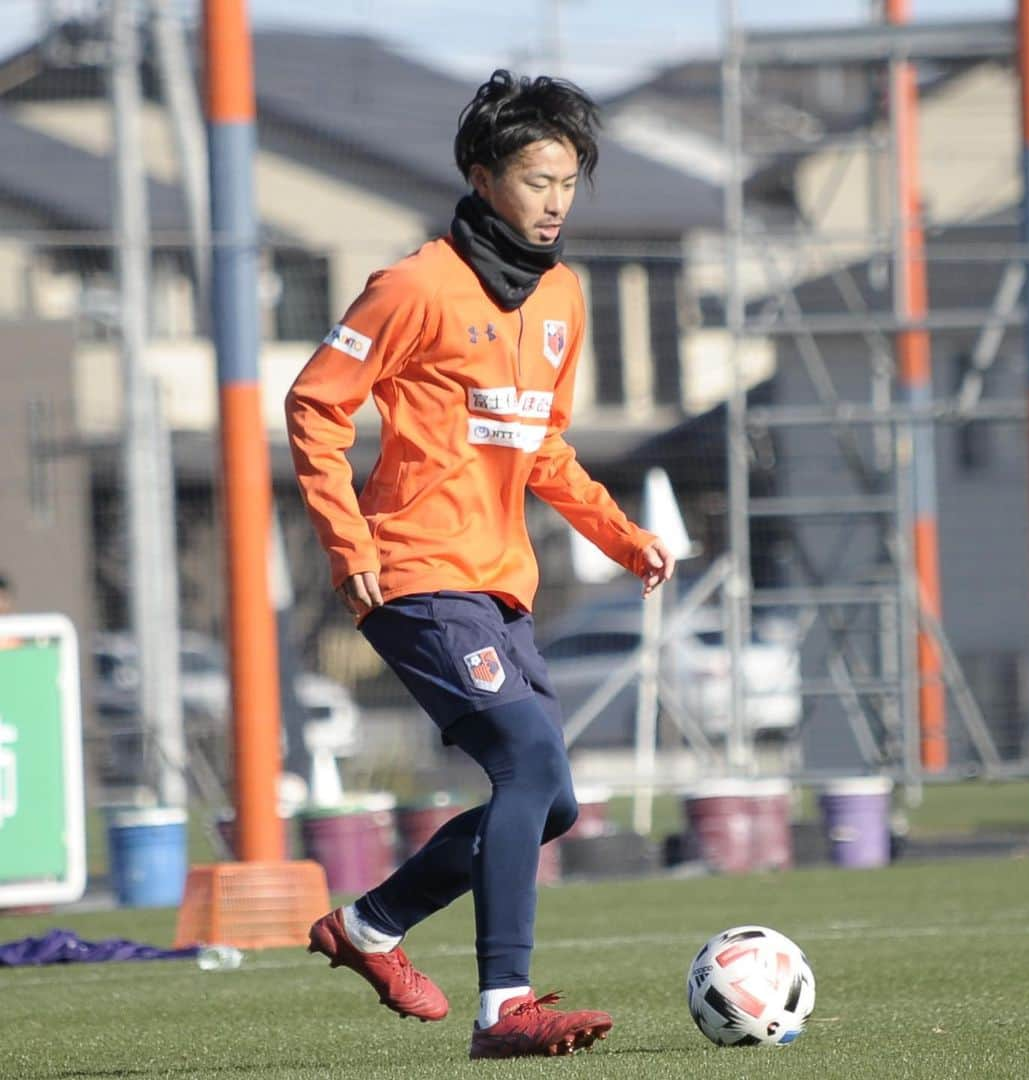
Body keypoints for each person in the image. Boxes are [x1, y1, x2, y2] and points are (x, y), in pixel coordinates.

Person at [285, 69, 675, 1060]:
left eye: (568, 182)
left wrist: (623, 539)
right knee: (530, 764)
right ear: (481, 175)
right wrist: (348, 539)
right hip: (413, 572)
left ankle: (368, 926)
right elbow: (315, 405)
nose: (554, 200)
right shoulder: (414, 285)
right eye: (536, 178)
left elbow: (540, 446)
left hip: (499, 583)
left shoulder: (564, 297)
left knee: (552, 803)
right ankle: (504, 1004)